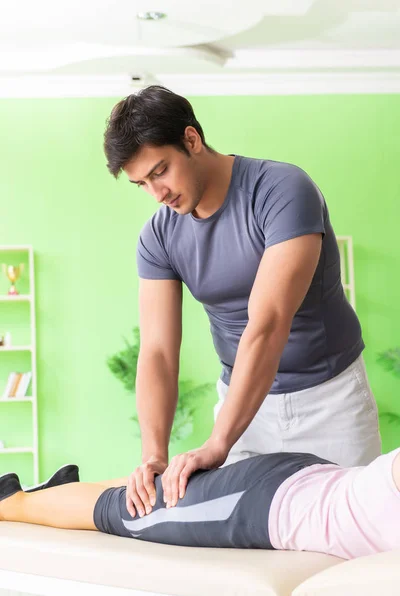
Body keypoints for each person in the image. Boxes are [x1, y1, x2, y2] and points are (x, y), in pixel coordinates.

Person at [103, 85, 381, 520]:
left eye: (161, 171)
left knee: (353, 537)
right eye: (142, 184)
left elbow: (268, 324)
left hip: (331, 402)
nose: (157, 193)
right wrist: (154, 454)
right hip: (244, 410)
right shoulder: (159, 235)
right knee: (248, 546)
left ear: (191, 140)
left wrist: (217, 443)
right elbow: (157, 351)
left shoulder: (282, 189)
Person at [1, 448, 399, 561]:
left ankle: (57, 491)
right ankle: (12, 501)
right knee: (127, 513)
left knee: (148, 500)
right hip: (265, 502)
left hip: (302, 481)